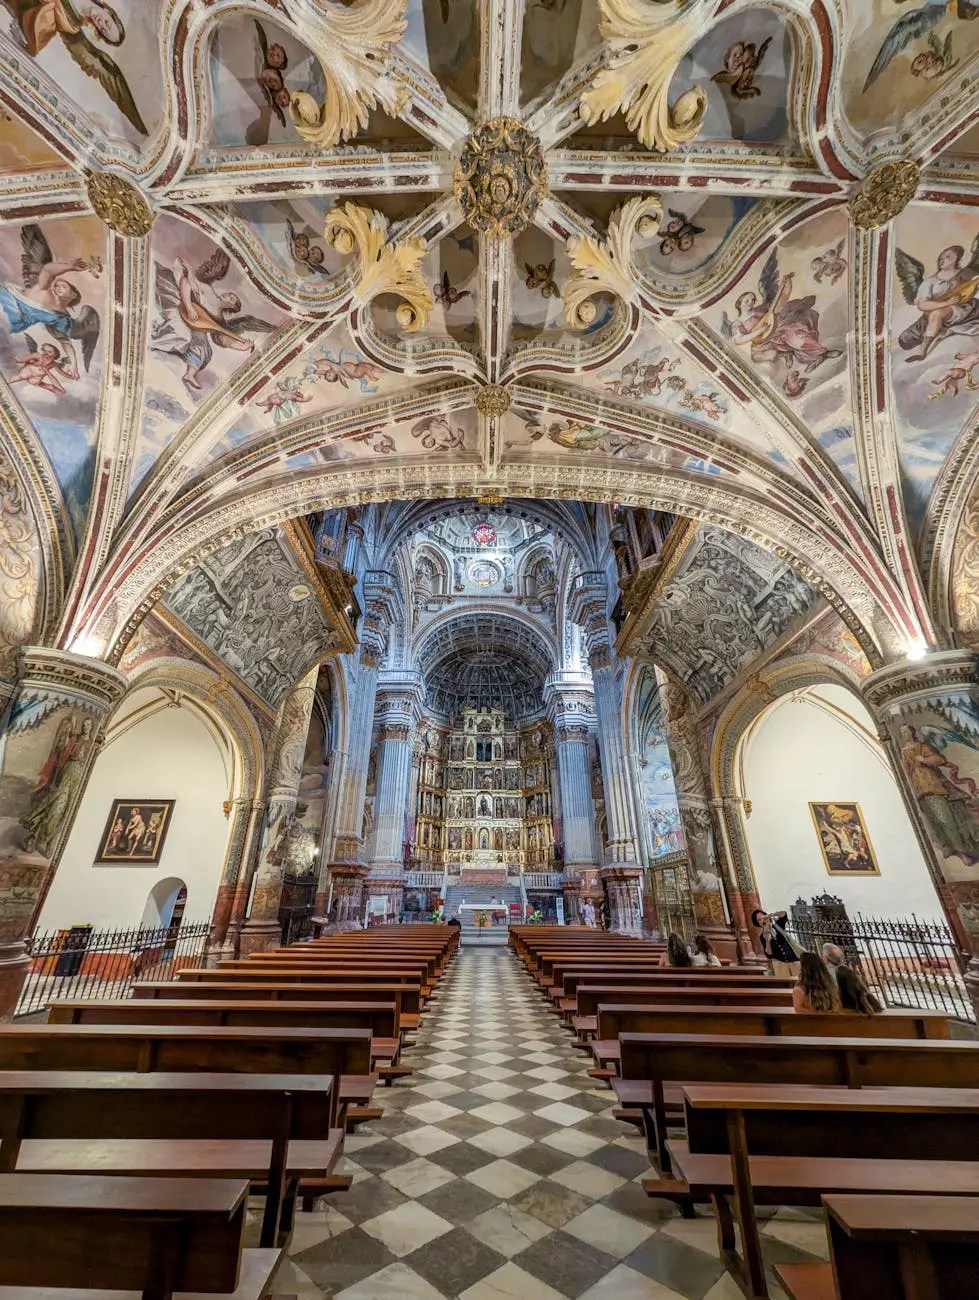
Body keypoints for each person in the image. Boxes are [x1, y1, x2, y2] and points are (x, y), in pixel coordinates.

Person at [752, 908, 802, 979]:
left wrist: (772, 915)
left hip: (794, 960)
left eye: (763, 917)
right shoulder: (762, 936)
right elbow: (769, 955)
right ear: (758, 924)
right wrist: (767, 941)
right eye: (759, 920)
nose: (762, 920)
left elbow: (784, 914)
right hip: (779, 965)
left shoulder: (778, 926)